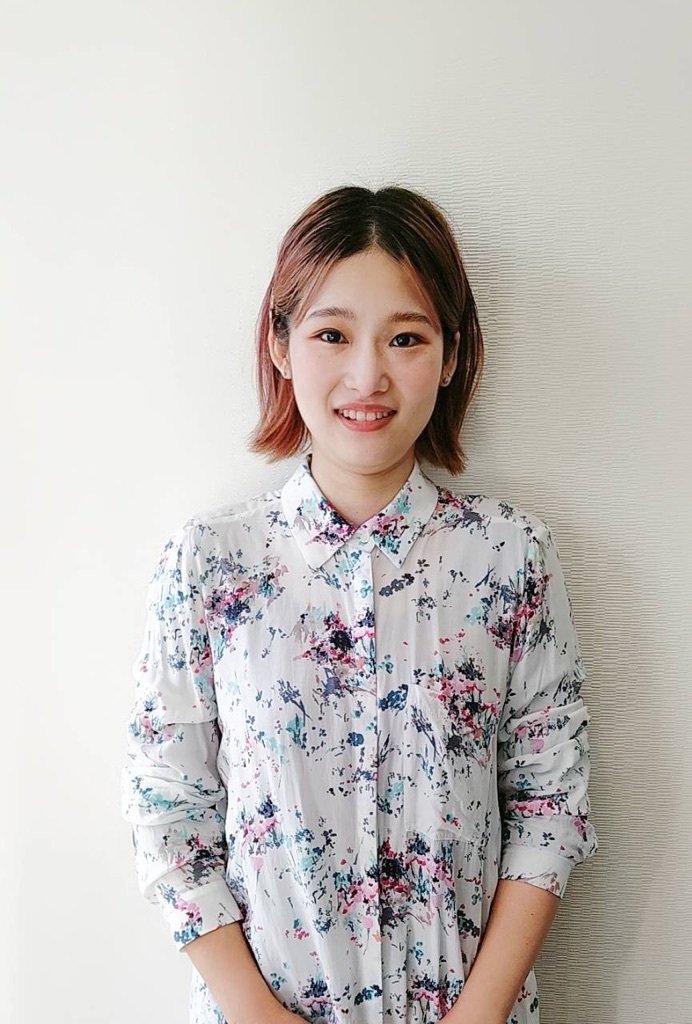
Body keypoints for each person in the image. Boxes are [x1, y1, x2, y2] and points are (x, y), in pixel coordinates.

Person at [121, 185, 598, 1024]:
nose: (367, 375)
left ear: (450, 355)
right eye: (332, 334)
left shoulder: (510, 555)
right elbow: (168, 810)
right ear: (280, 344)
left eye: (406, 337)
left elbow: (550, 806)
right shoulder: (210, 563)